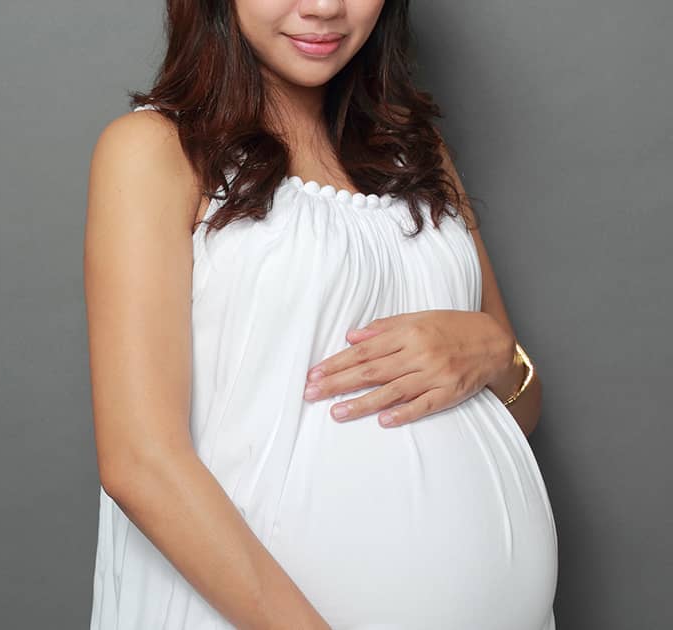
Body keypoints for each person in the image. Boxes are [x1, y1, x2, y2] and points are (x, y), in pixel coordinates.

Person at [82, 1, 558, 628]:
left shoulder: (417, 155)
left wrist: (497, 352)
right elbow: (141, 464)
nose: (325, 7)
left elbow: (518, 410)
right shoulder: (156, 151)